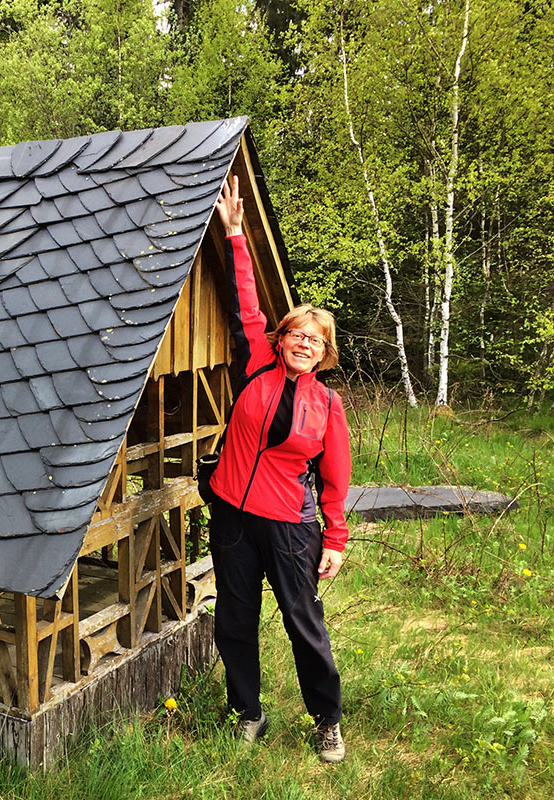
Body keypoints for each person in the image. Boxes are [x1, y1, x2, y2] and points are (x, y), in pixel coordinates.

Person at [206, 175, 351, 764]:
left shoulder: (327, 406)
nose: (303, 344)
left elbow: (336, 480)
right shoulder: (257, 367)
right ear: (282, 338)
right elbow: (247, 302)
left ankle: (327, 720)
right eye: (297, 334)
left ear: (325, 353)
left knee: (302, 623)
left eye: (315, 341)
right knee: (235, 617)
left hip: (291, 528)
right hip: (232, 516)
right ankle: (249, 711)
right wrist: (236, 234)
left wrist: (335, 539)